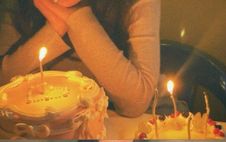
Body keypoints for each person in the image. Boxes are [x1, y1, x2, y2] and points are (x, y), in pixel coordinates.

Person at [0, 0, 161, 117]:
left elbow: (135, 102)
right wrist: (57, 29)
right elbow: (4, 83)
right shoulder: (17, 5)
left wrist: (77, 17)